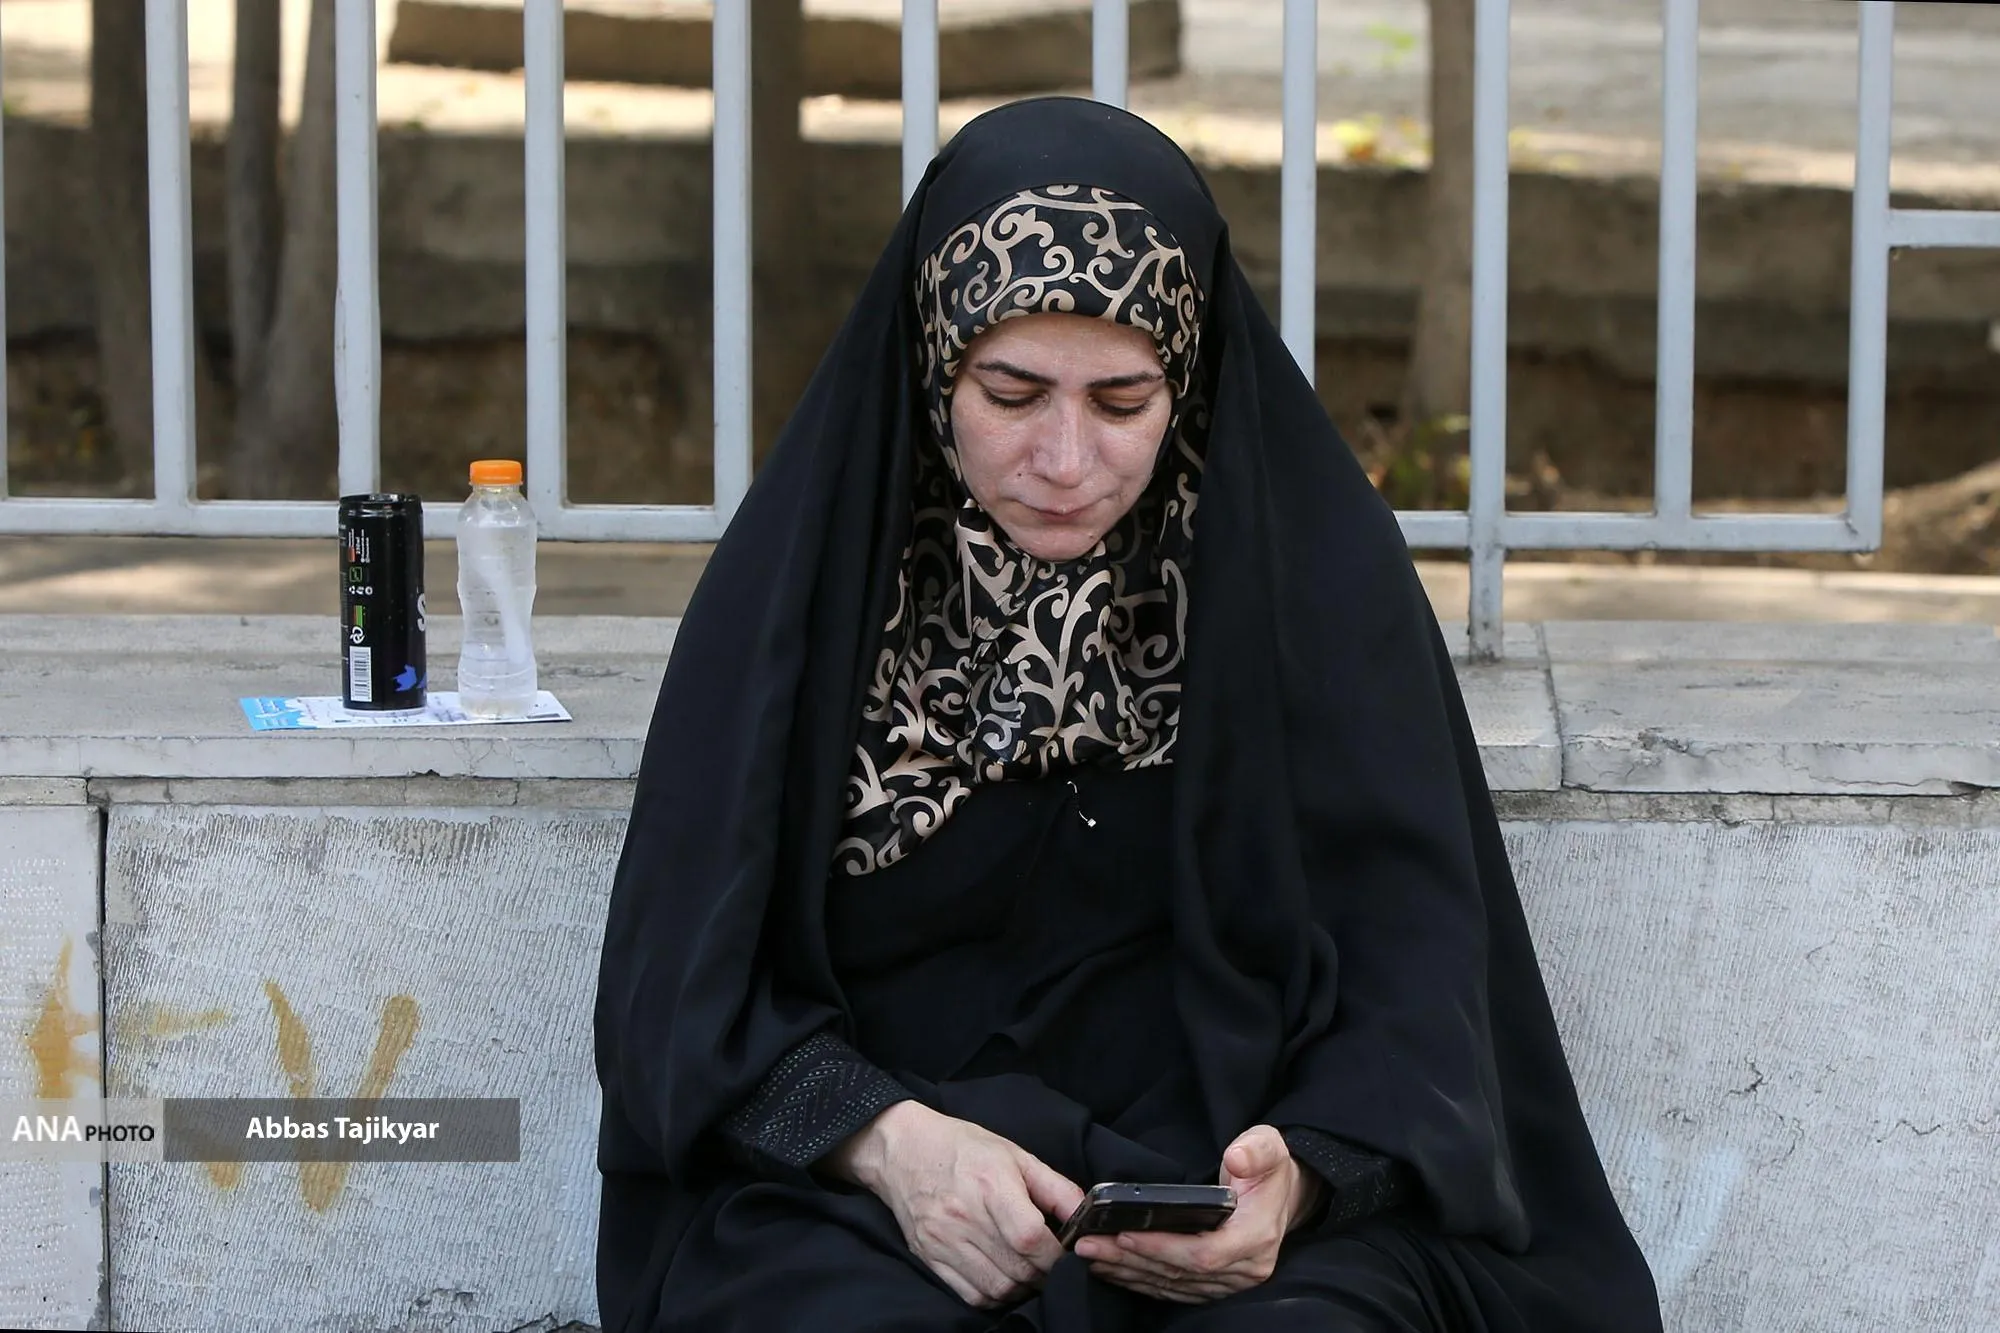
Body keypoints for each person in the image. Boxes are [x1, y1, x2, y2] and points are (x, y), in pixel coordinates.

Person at [594, 96, 1663, 1332]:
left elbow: (1415, 970)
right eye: (1010, 393)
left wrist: (1300, 1180)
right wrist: (887, 1147)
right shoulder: (805, 596)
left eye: (1120, 402)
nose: (1064, 461)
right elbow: (679, 994)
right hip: (867, 1208)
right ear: (933, 364)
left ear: (1187, 383)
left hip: (1227, 1209)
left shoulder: (1310, 587)